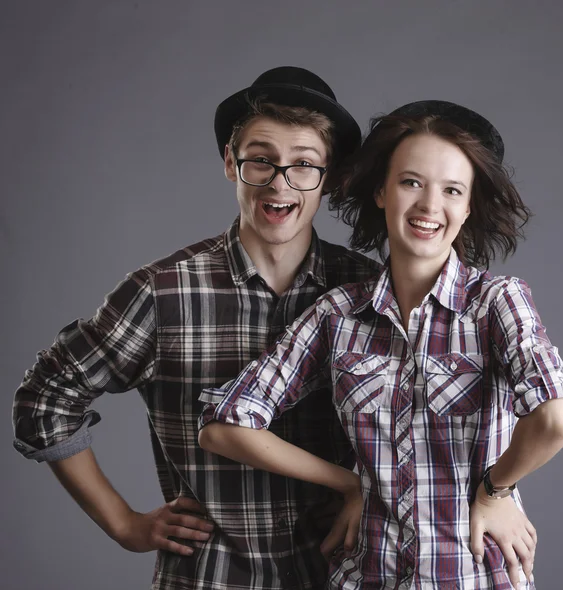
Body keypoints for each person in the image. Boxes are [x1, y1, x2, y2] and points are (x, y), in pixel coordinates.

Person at [12, 66, 382, 590]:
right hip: (210, 578)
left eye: (303, 164)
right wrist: (123, 524)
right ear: (231, 164)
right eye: (261, 160)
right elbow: (44, 401)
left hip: (345, 574)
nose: (280, 182)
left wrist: (495, 493)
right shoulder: (162, 293)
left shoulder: (369, 290)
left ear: (331, 175)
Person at [198, 100, 563, 589]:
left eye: (452, 190)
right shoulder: (338, 315)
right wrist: (349, 482)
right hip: (367, 576)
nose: (429, 206)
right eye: (411, 182)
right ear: (381, 191)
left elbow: (554, 416)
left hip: (472, 577)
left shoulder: (495, 304)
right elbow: (223, 426)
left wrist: (494, 491)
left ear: (468, 207)